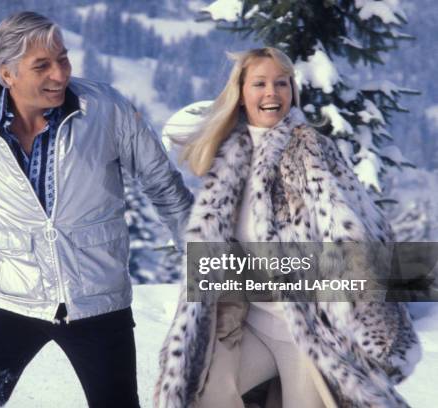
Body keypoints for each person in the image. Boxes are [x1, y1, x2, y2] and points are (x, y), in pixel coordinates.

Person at [0, 11, 193, 408]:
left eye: (63, 59)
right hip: (16, 297)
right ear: (7, 73)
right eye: (42, 65)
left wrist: (210, 261)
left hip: (98, 299)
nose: (59, 74)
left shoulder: (104, 110)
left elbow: (164, 188)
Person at [154, 48, 420, 407]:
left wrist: (370, 318)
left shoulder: (310, 150)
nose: (272, 93)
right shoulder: (229, 156)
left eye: (282, 83)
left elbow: (358, 235)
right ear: (241, 92)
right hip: (249, 325)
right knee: (200, 392)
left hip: (308, 330)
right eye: (260, 83)